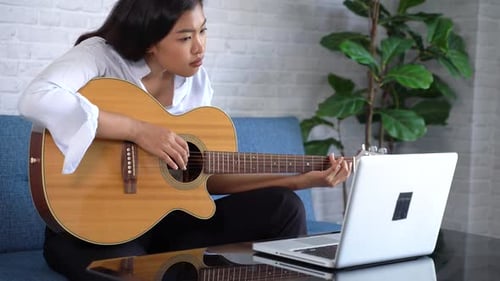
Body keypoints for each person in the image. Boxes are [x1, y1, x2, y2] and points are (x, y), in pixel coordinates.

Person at [18, 0, 352, 280]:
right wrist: (138, 130)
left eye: (203, 30)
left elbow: (206, 177)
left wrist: (300, 180)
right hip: (94, 231)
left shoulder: (197, 83)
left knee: (284, 207)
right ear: (150, 40)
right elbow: (37, 97)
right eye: (185, 37)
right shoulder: (100, 57)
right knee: (136, 272)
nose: (200, 47)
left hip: (169, 227)